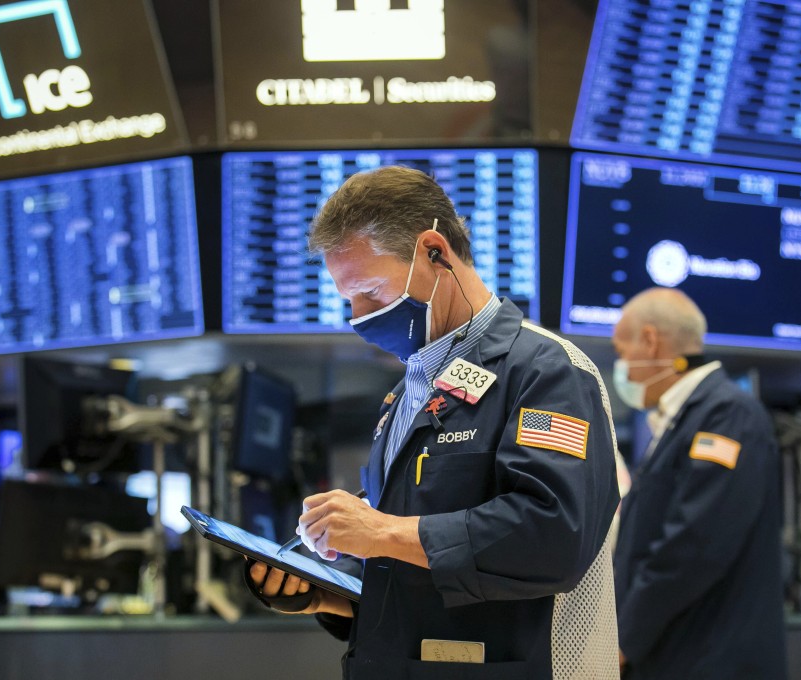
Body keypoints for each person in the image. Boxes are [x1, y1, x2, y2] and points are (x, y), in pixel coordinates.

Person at [248, 166, 621, 679]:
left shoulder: (546, 370)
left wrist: (380, 530)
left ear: (434, 251)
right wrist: (328, 592)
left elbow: (553, 538)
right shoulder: (407, 391)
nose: (357, 316)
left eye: (372, 293)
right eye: (348, 300)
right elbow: (416, 570)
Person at [610, 288, 787, 679]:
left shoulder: (727, 416)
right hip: (678, 654)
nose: (622, 366)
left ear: (651, 341)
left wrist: (625, 636)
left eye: (622, 352)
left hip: (713, 660)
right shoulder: (683, 420)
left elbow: (694, 544)